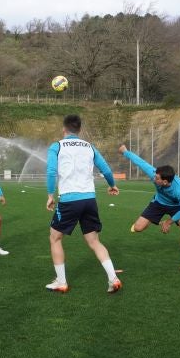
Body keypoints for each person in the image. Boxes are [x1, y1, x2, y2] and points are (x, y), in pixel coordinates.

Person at [44, 115, 122, 293]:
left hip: (70, 200)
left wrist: (50, 195)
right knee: (94, 241)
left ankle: (61, 282)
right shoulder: (89, 146)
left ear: (64, 130)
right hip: (89, 199)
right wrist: (112, 185)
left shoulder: (57, 146)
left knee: (55, 237)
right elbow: (107, 170)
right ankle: (113, 278)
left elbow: (51, 171)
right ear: (79, 130)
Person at [119, 145, 180, 273]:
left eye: (157, 178)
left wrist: (169, 221)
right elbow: (141, 163)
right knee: (138, 228)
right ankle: (158, 221)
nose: (154, 178)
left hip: (176, 207)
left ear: (165, 182)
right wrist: (125, 152)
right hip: (158, 203)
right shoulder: (155, 174)